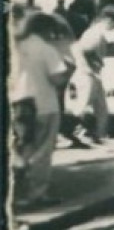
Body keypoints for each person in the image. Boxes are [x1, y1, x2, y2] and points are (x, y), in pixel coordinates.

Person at [10, 13, 73, 207]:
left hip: (18, 103)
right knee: (42, 151)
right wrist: (70, 70)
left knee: (22, 148)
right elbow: (57, 79)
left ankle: (15, 190)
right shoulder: (46, 50)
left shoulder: (16, 47)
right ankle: (35, 194)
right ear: (47, 30)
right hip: (43, 103)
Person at [67, 6, 114, 145]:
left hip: (93, 74)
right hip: (87, 75)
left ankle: (98, 135)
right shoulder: (95, 34)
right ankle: (76, 134)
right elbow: (81, 50)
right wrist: (88, 67)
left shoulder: (96, 33)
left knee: (101, 107)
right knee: (83, 105)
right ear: (107, 20)